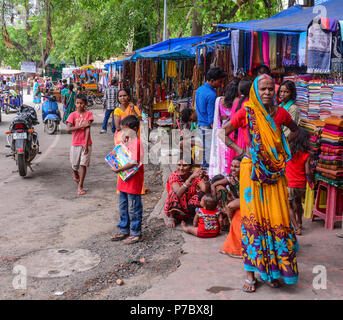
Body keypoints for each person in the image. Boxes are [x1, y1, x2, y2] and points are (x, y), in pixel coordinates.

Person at [222, 74, 299, 292]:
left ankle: (273, 271)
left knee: (276, 218)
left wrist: (281, 149)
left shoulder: (281, 113)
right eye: (262, 89)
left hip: (275, 173)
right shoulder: (247, 112)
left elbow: (295, 130)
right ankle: (250, 274)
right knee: (253, 220)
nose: (267, 92)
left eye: (269, 89)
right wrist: (241, 152)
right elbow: (223, 132)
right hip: (251, 173)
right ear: (256, 90)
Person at [110, 115, 144, 244]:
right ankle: (124, 229)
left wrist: (118, 169)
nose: (124, 133)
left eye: (126, 130)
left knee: (134, 207)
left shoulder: (137, 142)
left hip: (133, 181)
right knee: (123, 206)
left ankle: (136, 233)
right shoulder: (126, 141)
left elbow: (133, 162)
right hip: (124, 180)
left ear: (135, 129)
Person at [164, 158, 211, 228]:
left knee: (202, 194)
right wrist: (190, 179)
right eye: (179, 165)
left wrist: (206, 180)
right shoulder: (173, 175)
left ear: (191, 167)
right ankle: (172, 217)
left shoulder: (194, 175)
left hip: (189, 206)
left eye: (185, 165)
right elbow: (178, 193)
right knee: (173, 193)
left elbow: (205, 191)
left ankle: (192, 216)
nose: (181, 168)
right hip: (177, 207)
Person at [212, 155, 243, 258]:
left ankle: (230, 223)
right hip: (238, 202)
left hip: (249, 200)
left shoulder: (246, 177)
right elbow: (216, 184)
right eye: (232, 166)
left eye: (237, 166)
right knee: (229, 204)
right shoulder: (232, 177)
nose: (233, 169)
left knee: (230, 207)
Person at [195, 67, 226, 168]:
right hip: (208, 127)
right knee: (208, 155)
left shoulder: (199, 90)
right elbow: (211, 116)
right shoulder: (211, 95)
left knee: (203, 153)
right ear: (212, 81)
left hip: (200, 126)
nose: (221, 85)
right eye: (220, 82)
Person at [209, 78, 240, 178]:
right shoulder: (238, 103)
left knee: (221, 159)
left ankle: (222, 179)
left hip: (220, 132)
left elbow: (216, 119)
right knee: (231, 158)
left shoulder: (219, 101)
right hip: (233, 134)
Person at [66, 94, 94, 196]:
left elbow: (87, 129)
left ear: (85, 104)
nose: (79, 105)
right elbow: (68, 129)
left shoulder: (89, 114)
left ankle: (80, 186)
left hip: (86, 143)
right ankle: (74, 171)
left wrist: (86, 144)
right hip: (75, 143)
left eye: (81, 103)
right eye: (77, 103)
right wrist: (80, 126)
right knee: (74, 164)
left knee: (83, 164)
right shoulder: (72, 115)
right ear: (75, 103)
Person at [285, 127, 311, 235]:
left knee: (289, 206)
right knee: (299, 203)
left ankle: (296, 228)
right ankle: (300, 222)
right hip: (301, 184)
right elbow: (308, 172)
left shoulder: (288, 152)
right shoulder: (306, 155)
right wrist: (311, 181)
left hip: (290, 183)